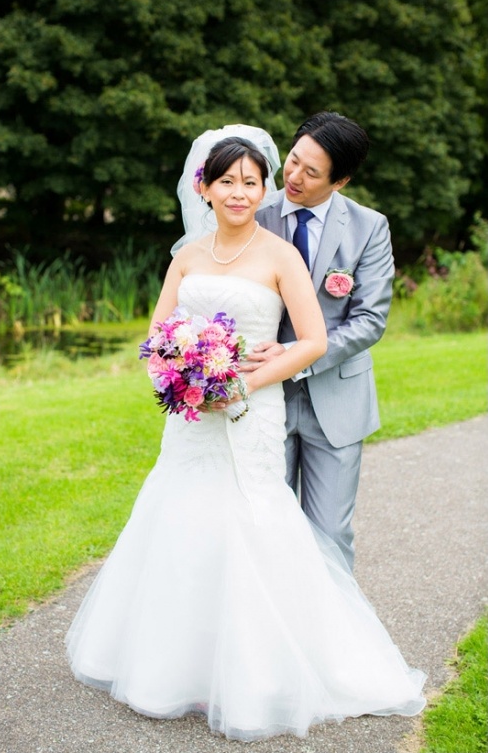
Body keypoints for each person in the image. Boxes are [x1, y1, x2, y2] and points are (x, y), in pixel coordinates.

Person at [66, 130, 425, 742]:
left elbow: (311, 340)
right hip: (192, 423)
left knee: (264, 527)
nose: (242, 191)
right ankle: (189, 666)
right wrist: (181, 374)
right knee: (185, 525)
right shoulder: (186, 257)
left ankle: (273, 668)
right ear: (202, 187)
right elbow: (156, 336)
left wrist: (240, 380)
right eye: (227, 181)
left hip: (251, 411)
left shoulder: (281, 254)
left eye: (250, 182)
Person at [252, 111, 395, 571]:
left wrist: (301, 355)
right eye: (292, 161)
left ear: (341, 181)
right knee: (263, 529)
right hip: (263, 398)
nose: (293, 176)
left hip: (335, 401)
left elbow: (370, 319)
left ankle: (332, 641)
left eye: (311, 172)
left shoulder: (369, 227)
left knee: (331, 534)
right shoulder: (255, 215)